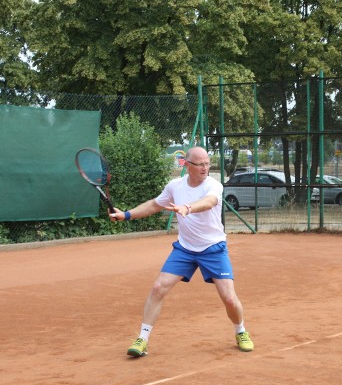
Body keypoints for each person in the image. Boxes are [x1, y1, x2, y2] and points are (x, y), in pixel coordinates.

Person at [109, 146, 254, 357]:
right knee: (158, 287)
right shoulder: (174, 186)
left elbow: (209, 202)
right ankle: (142, 339)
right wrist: (127, 215)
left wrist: (188, 208)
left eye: (207, 163)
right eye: (200, 164)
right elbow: (154, 205)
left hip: (213, 248)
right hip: (185, 249)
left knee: (229, 298)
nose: (205, 167)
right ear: (187, 165)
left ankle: (240, 330)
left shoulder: (213, 185)